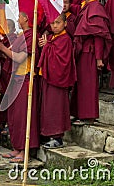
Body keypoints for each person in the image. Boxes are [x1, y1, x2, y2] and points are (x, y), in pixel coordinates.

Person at [0, 0, 40, 163]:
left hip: (26, 80)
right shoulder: (22, 35)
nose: (19, 17)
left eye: (21, 15)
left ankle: (24, 151)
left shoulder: (31, 36)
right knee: (15, 115)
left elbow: (20, 57)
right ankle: (16, 148)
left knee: (23, 116)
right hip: (17, 80)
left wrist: (2, 48)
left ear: (25, 18)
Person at [71, 0, 111, 125]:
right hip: (83, 52)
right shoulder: (87, 6)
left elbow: (99, 36)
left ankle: (89, 116)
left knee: (88, 84)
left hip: (91, 53)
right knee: (81, 83)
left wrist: (99, 58)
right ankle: (79, 113)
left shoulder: (96, 8)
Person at [38, 13, 76, 148]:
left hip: (58, 80)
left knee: (56, 108)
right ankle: (48, 134)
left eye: (58, 23)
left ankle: (58, 137)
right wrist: (46, 45)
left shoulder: (66, 39)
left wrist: (47, 46)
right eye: (52, 23)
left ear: (65, 24)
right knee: (47, 108)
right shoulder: (52, 38)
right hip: (48, 78)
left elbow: (63, 62)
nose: (54, 26)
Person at [0, 19, 17, 134]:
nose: (7, 30)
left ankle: (9, 124)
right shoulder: (1, 39)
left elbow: (12, 57)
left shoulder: (14, 39)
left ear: (14, 29)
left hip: (10, 74)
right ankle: (1, 123)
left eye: (9, 27)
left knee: (10, 99)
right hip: (3, 75)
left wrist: (2, 50)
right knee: (3, 98)